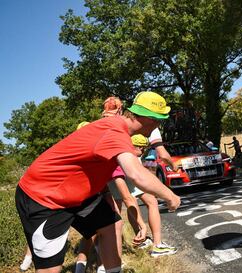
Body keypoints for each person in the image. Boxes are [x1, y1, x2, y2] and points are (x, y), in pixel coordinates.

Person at [15, 91, 181, 273]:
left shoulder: (118, 130)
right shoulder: (115, 132)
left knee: (111, 224)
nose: (159, 124)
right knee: (51, 269)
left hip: (76, 195)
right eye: (158, 119)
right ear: (145, 117)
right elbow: (136, 174)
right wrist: (170, 196)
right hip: (45, 197)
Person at [108, 134, 178, 257]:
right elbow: (130, 198)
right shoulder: (129, 155)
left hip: (116, 174)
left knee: (123, 208)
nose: (143, 151)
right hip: (122, 174)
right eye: (142, 148)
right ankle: (156, 244)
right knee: (142, 203)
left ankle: (141, 240)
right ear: (135, 146)